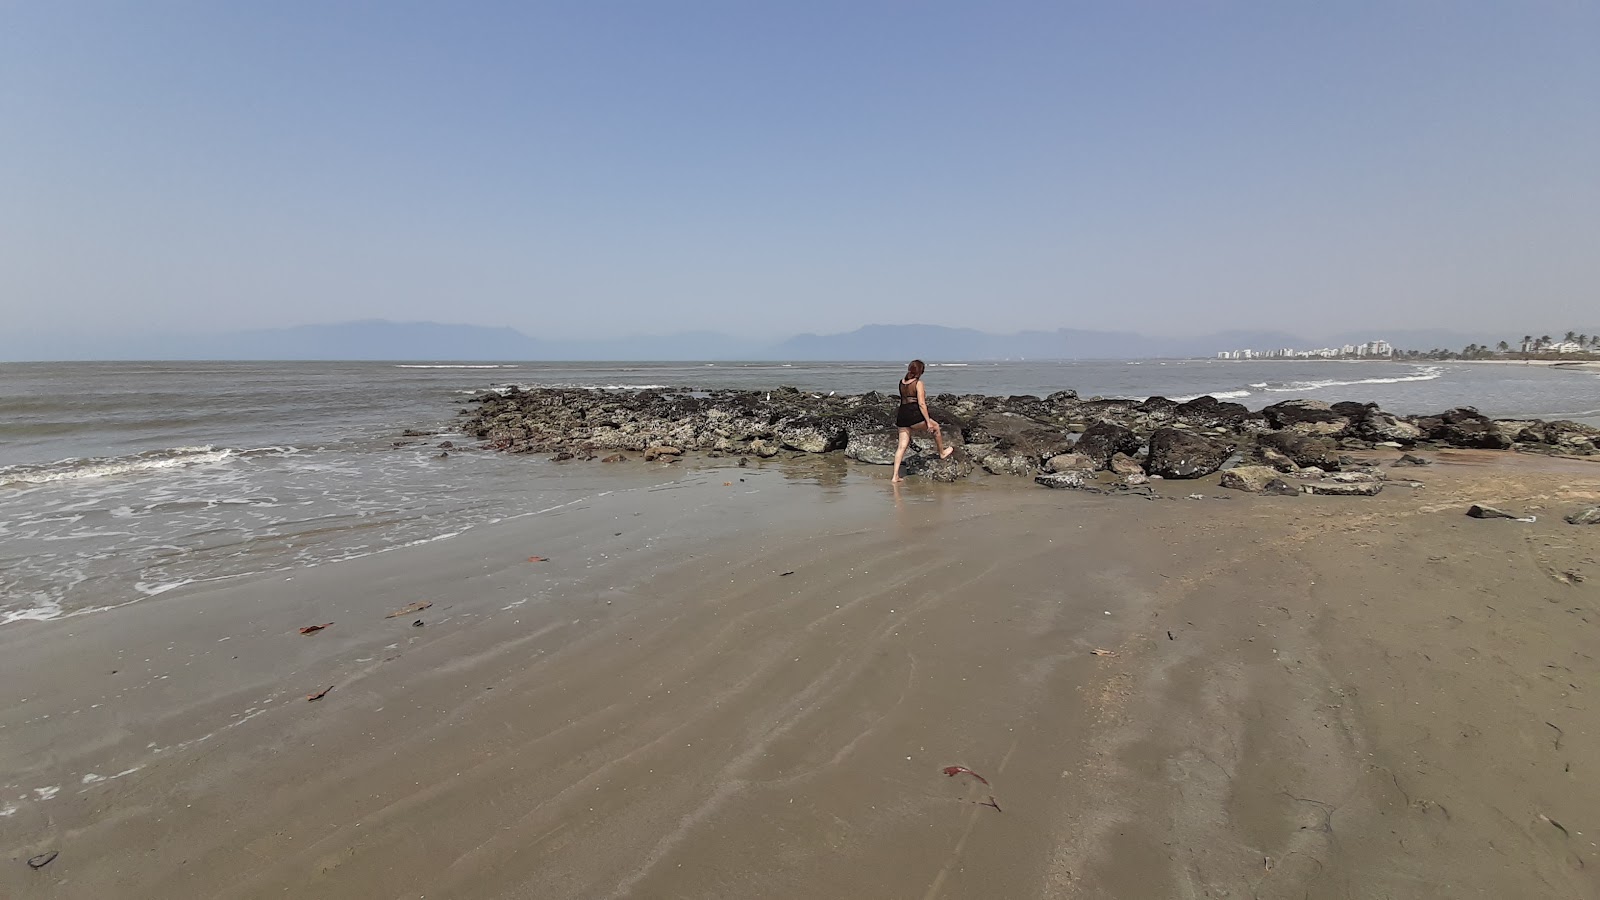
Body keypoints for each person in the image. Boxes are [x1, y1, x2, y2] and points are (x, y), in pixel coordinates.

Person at [892, 359, 953, 482]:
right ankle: (942, 452)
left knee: (901, 446)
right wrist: (928, 422)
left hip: (902, 415)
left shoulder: (902, 382)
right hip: (914, 414)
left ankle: (895, 476)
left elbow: (905, 399)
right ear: (920, 371)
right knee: (936, 427)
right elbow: (921, 404)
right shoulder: (918, 383)